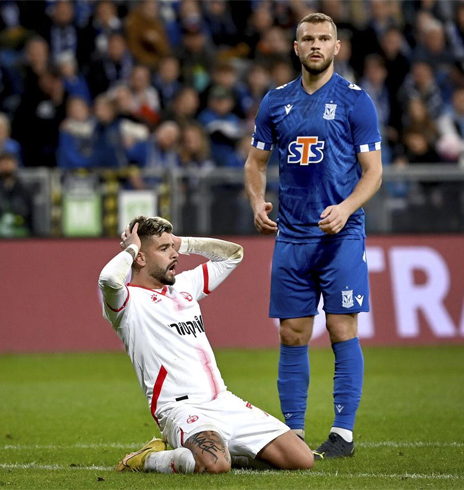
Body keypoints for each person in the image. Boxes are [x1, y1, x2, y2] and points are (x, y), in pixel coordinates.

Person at [244, 13, 383, 459]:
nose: (316, 45)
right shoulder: (276, 102)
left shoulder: (356, 101)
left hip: (340, 235)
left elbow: (373, 173)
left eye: (325, 38)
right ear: (296, 47)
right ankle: (295, 433)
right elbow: (255, 163)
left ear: (337, 47)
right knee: (292, 334)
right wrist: (256, 201)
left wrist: (345, 209)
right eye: (308, 38)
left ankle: (342, 434)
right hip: (292, 236)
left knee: (342, 328)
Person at [98, 216, 313, 474]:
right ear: (141, 258)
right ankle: (147, 459)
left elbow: (233, 255)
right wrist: (131, 248)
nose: (174, 254)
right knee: (214, 465)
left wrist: (184, 243)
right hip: (180, 408)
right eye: (164, 249)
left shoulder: (184, 286)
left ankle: (227, 450)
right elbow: (108, 279)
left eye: (172, 247)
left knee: (302, 458)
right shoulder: (128, 303)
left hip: (223, 400)